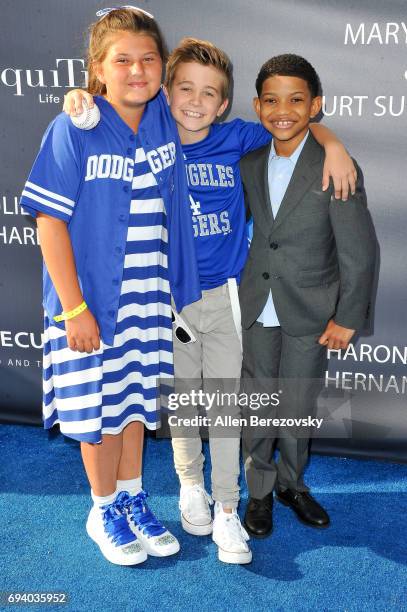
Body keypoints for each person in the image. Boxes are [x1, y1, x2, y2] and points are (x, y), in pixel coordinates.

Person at [65, 37, 358, 564]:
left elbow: (291, 124)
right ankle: (189, 490)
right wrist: (77, 96)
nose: (195, 102)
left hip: (225, 296)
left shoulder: (237, 138)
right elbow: (108, 106)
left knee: (225, 406)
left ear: (224, 104)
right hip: (167, 297)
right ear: (165, 93)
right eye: (184, 89)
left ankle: (227, 509)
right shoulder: (148, 133)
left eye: (209, 94)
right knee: (183, 406)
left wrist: (332, 141)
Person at [20, 7, 202, 566]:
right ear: (97, 69)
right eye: (122, 60)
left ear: (162, 67)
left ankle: (131, 497)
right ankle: (102, 508)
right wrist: (74, 308)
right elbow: (48, 221)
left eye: (148, 58)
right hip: (91, 303)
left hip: (147, 300)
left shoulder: (166, 120)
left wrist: (330, 140)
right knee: (96, 410)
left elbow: (242, 121)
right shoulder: (72, 127)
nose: (137, 70)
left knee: (130, 406)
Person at [239, 54, 376, 539]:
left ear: (316, 105)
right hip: (257, 303)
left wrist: (347, 315)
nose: (284, 110)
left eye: (297, 100)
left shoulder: (335, 165)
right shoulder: (249, 162)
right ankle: (257, 491)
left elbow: (359, 250)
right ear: (257, 106)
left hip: (311, 310)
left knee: (297, 400)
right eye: (272, 100)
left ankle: (292, 485)